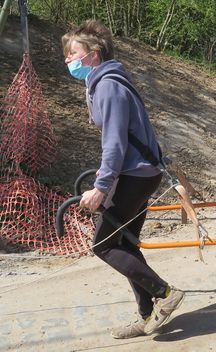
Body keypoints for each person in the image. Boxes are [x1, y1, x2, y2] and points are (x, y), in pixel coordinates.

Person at [62, 20, 184, 339]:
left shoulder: (108, 86)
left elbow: (114, 144)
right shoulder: (104, 83)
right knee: (126, 243)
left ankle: (166, 294)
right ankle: (147, 315)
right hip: (139, 173)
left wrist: (101, 187)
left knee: (103, 244)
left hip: (136, 175)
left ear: (93, 54)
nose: (68, 60)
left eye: (73, 53)